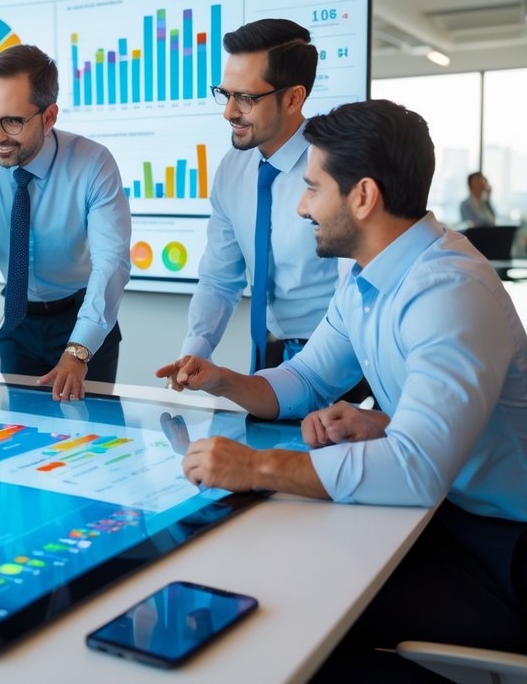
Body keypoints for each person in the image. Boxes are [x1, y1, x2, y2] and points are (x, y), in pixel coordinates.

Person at [164, 99, 527, 675]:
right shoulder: (369, 275)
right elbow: (308, 379)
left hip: (503, 552)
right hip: (445, 516)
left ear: (362, 196)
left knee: (297, 617)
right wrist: (226, 381)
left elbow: (414, 467)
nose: (303, 207)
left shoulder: (448, 292)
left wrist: (257, 469)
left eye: (311, 188)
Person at [0, 44, 131, 402]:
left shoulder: (94, 164)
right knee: (21, 440)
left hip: (83, 318)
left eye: (13, 121)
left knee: (92, 440)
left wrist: (79, 349)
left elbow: (112, 260)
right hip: (18, 320)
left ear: (49, 117)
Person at [161, 19, 338, 380]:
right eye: (225, 94)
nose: (228, 112)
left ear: (293, 98)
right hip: (268, 352)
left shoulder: (336, 166)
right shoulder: (233, 168)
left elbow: (359, 287)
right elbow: (219, 278)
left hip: (337, 355)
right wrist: (195, 351)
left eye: (246, 98)